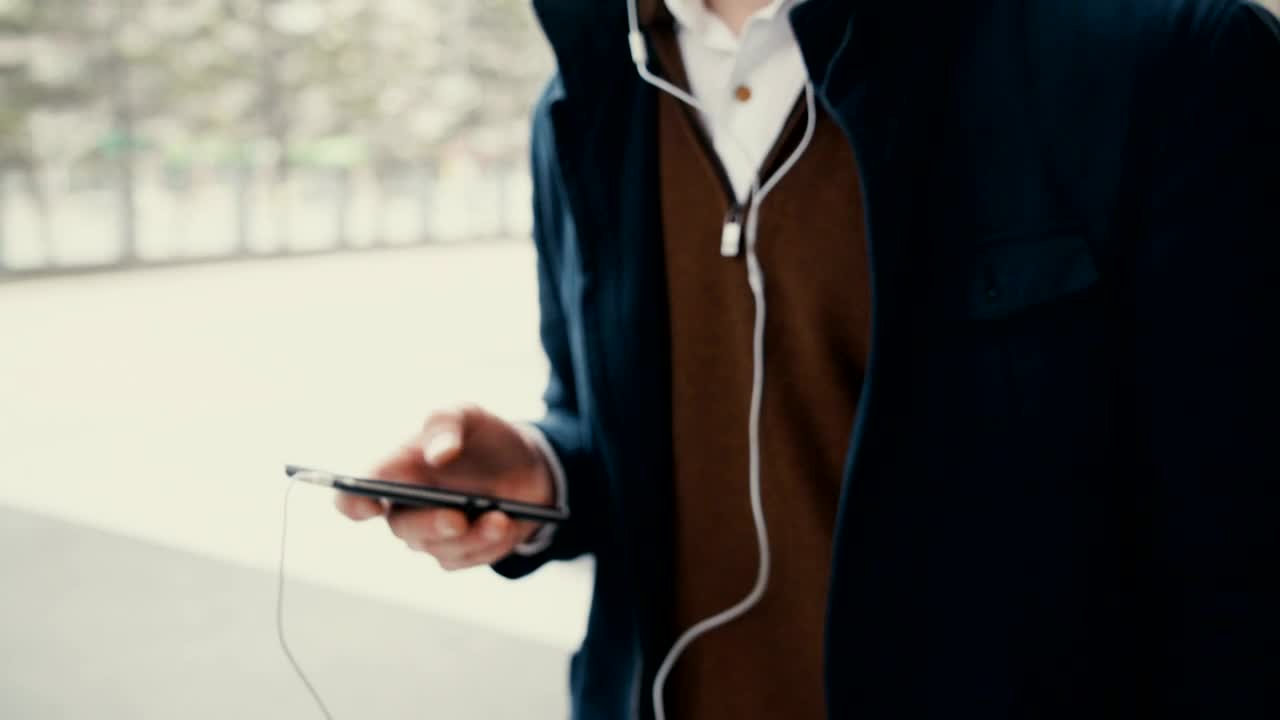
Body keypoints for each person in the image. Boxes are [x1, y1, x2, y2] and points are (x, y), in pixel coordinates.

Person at [336, 1, 1280, 718]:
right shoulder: (588, 92)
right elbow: (624, 420)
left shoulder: (1162, 59)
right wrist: (542, 475)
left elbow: (1244, 548)